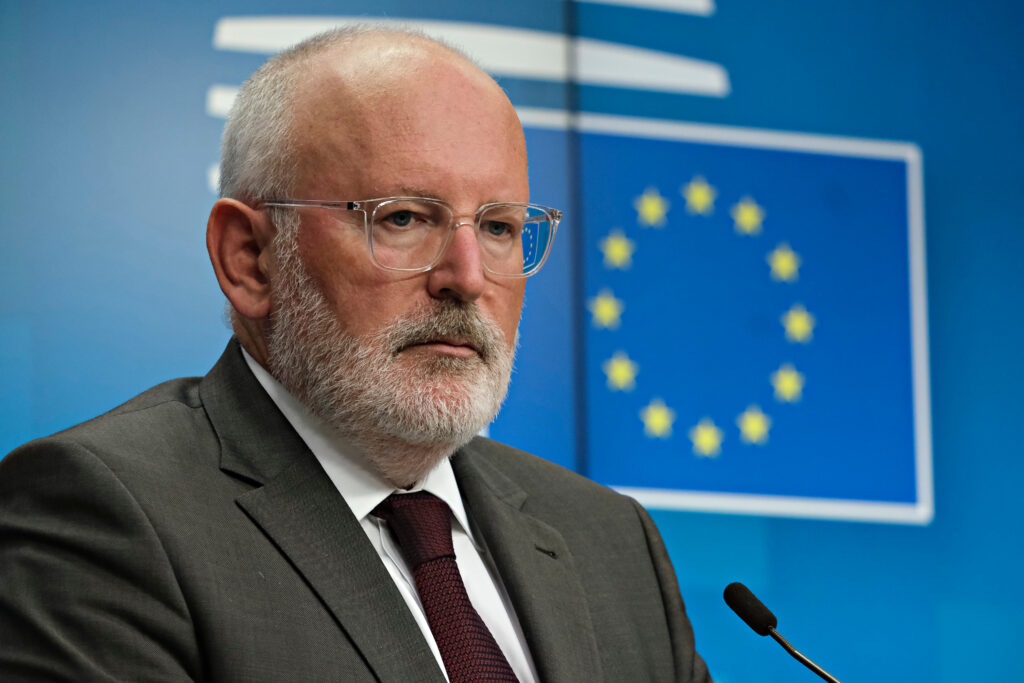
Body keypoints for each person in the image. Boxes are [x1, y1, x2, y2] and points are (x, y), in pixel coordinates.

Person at [0, 27, 711, 682]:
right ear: (250, 258)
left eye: (498, 227)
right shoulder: (106, 514)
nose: (466, 276)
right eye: (403, 218)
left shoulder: (614, 543)